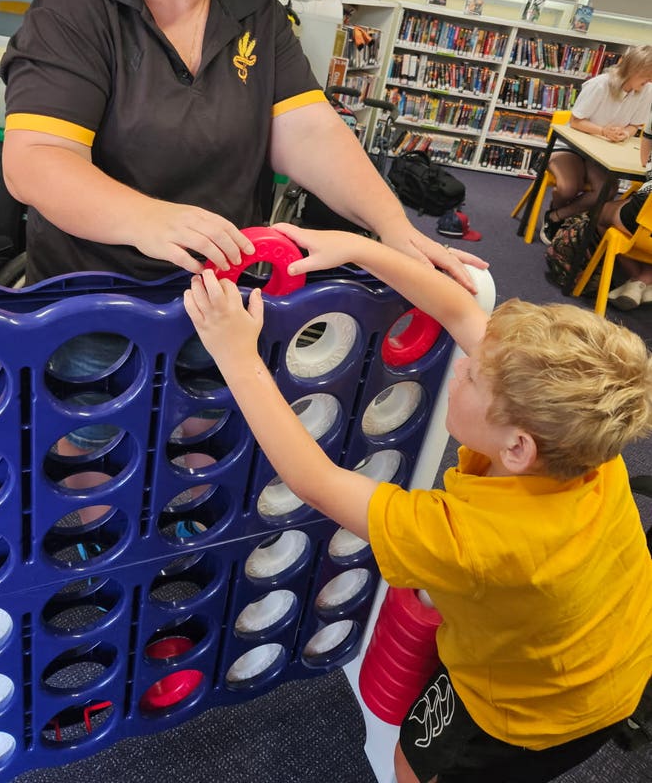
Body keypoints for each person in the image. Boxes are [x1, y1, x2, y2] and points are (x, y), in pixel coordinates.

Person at [0, 0, 483, 513]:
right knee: (94, 463)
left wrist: (393, 227)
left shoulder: (253, 8)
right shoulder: (75, 4)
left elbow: (311, 133)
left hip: (220, 295)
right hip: (98, 300)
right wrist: (149, 219)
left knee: (199, 447)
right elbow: (36, 159)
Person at [183, 224, 652, 783]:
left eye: (473, 377)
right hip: (614, 663)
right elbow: (459, 314)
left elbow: (314, 480)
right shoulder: (585, 443)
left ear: (518, 447)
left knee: (415, 764)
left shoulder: (472, 539)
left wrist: (235, 355)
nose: (458, 367)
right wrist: (358, 248)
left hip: (524, 717)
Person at [540, 45, 652, 245]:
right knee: (567, 188)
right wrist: (603, 131)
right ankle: (561, 214)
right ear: (634, 70)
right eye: (647, 77)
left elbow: (635, 125)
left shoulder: (646, 91)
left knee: (607, 191)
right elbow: (576, 122)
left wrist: (625, 133)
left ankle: (557, 216)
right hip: (572, 146)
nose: (649, 82)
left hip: (603, 152)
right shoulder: (599, 85)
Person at [598, 104, 652, 310]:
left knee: (601, 213)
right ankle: (647, 280)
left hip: (644, 215)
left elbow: (643, 159)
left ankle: (636, 280)